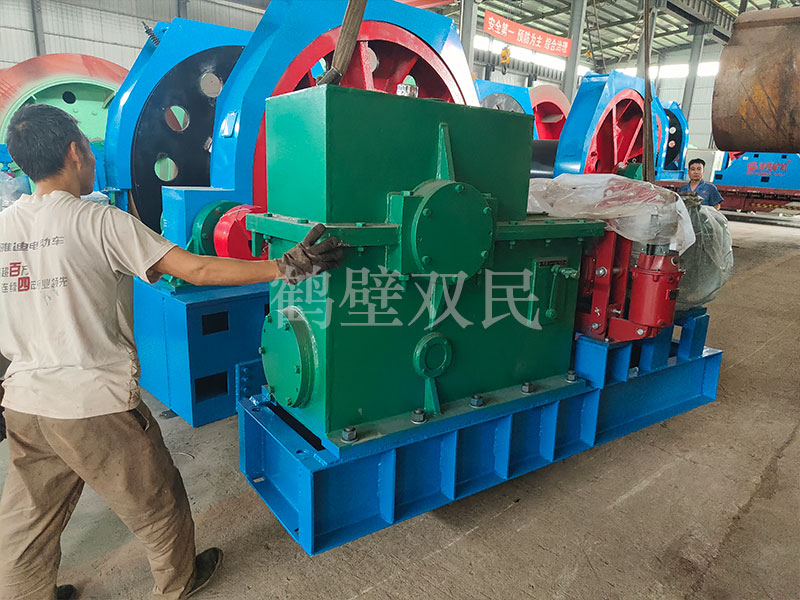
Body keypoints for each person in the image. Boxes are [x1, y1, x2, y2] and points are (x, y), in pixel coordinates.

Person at [0, 104, 343, 600]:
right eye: (88, 147)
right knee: (157, 502)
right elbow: (197, 270)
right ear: (75, 151)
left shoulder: (5, 226)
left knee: (29, 518)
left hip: (25, 402)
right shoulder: (100, 222)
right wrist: (285, 267)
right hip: (91, 403)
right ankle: (178, 584)